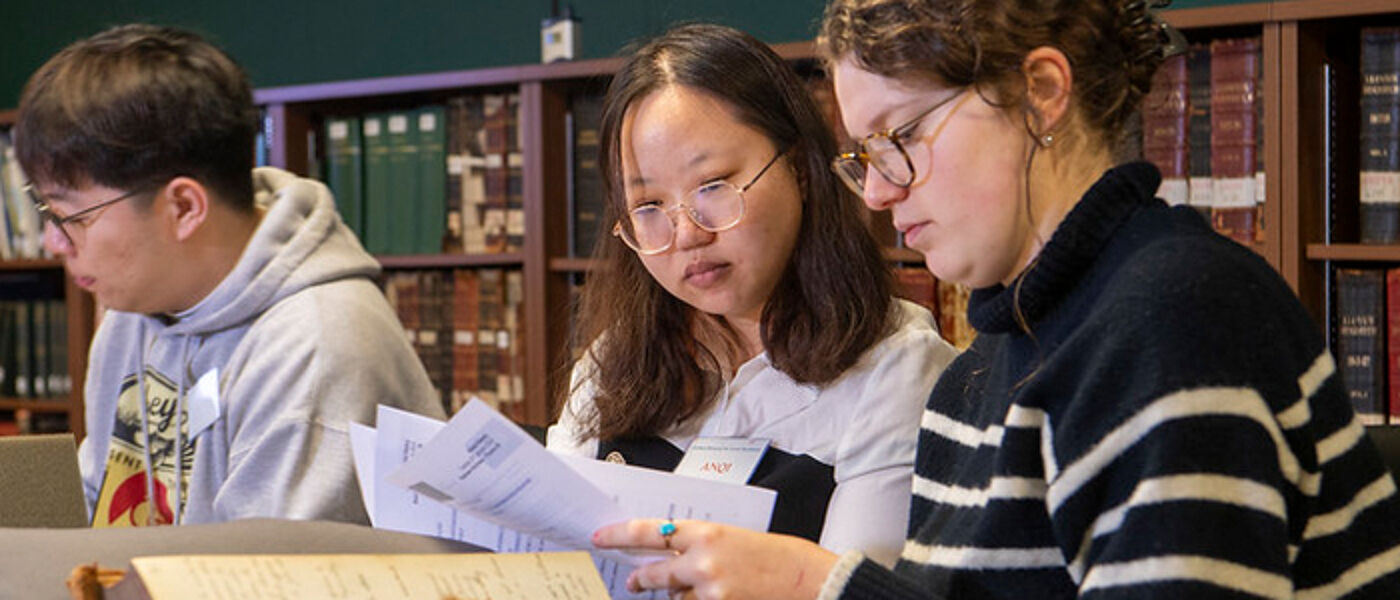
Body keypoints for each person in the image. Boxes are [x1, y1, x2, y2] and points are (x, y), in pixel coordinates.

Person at [591, 1, 1400, 598]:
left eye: (901, 138)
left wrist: (818, 586)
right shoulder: (980, 375)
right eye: (865, 154)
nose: (876, 193)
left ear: (1039, 93)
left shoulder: (1175, 315)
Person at [546, 23, 957, 566]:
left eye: (713, 186)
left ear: (800, 169)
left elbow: (853, 585)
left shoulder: (895, 368)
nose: (688, 233)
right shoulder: (611, 364)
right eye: (648, 207)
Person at [14, 24, 446, 527]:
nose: (53, 241)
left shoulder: (317, 347)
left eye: (73, 217)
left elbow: (266, 578)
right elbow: (95, 512)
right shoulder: (136, 308)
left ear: (183, 207)